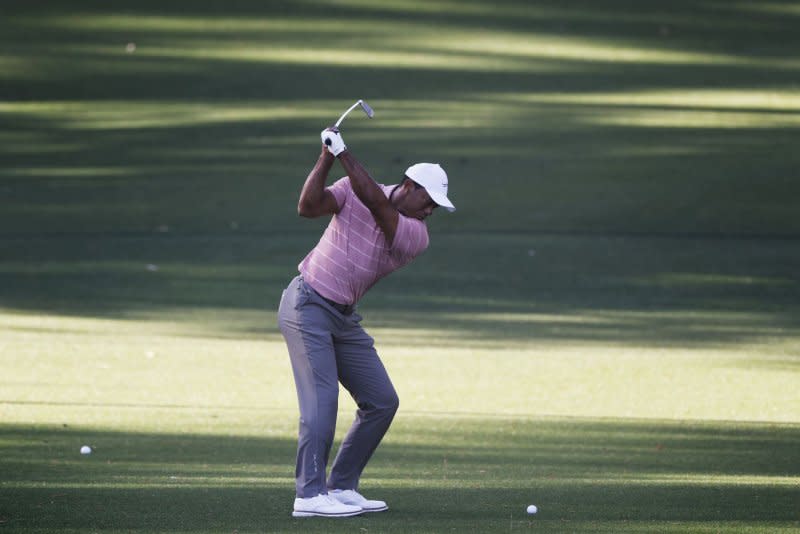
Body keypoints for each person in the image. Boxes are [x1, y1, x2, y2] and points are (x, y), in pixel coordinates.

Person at [277, 126, 455, 518]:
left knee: (381, 401)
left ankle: (340, 485)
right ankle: (309, 495)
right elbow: (308, 207)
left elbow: (377, 204)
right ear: (409, 186)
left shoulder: (414, 235)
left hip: (342, 319)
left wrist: (344, 151)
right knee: (322, 402)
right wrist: (327, 157)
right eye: (430, 202)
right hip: (307, 304)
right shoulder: (355, 187)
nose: (431, 212)